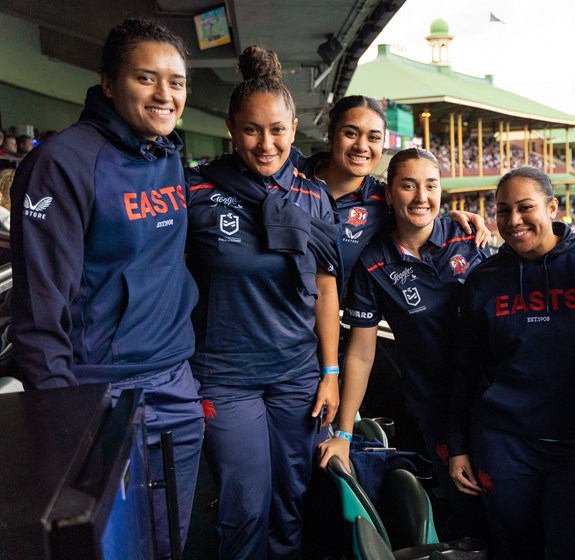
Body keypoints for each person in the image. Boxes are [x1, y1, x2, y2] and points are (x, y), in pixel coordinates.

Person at [10, 18, 203, 559]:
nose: (165, 94)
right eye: (147, 78)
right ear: (109, 82)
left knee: (170, 544)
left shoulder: (166, 153)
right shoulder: (62, 164)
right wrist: (65, 428)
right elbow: (39, 316)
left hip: (176, 384)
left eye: (177, 82)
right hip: (102, 395)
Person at [186, 45, 341, 559]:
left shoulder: (314, 196)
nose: (266, 142)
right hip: (225, 377)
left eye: (277, 130)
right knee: (244, 504)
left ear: (294, 129)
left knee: (291, 499)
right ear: (232, 128)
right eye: (252, 129)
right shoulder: (199, 191)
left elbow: (324, 288)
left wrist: (331, 371)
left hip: (297, 375)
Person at [448, 166, 575, 559]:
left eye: (525, 208)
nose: (513, 221)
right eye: (502, 210)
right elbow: (466, 368)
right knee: (512, 547)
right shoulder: (485, 279)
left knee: (574, 547)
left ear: (552, 208)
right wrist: (458, 445)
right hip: (504, 443)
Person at [318, 147, 488, 539]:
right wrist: (343, 435)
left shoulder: (468, 236)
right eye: (408, 186)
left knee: (509, 517)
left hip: (493, 406)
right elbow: (361, 353)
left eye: (431, 185)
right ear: (389, 194)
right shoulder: (373, 263)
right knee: (467, 519)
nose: (421, 197)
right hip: (438, 412)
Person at [299, 95, 489, 280]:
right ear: (331, 136)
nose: (361, 146)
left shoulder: (382, 200)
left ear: (382, 146)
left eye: (373, 137)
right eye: (351, 133)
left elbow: (417, 214)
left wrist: (449, 219)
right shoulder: (291, 172)